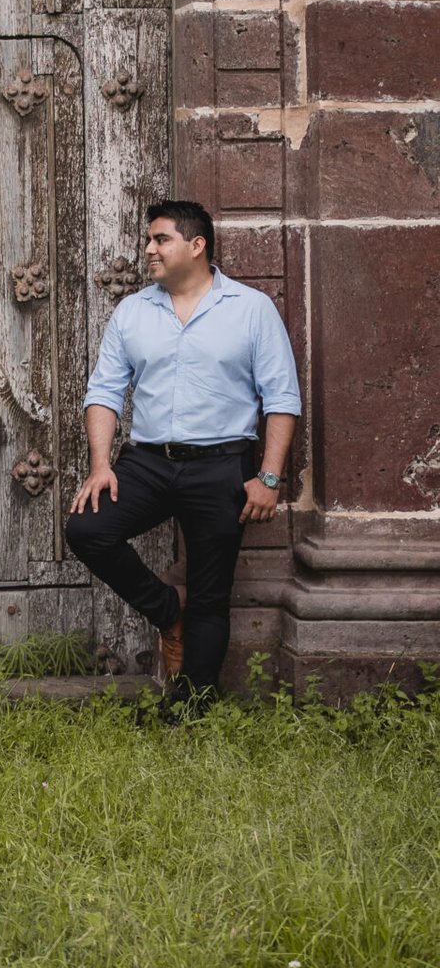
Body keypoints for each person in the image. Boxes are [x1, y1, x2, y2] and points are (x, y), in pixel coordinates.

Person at [64, 199, 300, 704]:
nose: (149, 249)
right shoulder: (133, 311)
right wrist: (101, 465)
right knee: (87, 529)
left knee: (211, 595)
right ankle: (168, 608)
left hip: (222, 465)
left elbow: (281, 399)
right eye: (149, 240)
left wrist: (269, 478)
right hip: (147, 462)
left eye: (161, 239)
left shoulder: (251, 308)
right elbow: (104, 392)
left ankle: (193, 706)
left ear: (197, 245)